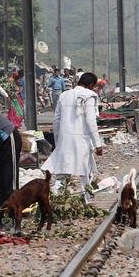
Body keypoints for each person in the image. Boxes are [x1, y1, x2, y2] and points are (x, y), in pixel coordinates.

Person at [41, 72, 103, 202]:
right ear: (91, 85)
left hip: (64, 139)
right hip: (82, 140)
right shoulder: (90, 96)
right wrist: (97, 144)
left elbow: (56, 120)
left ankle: (56, 201)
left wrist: (58, 142)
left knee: (62, 172)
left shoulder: (64, 95)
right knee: (85, 172)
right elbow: (91, 121)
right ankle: (86, 200)